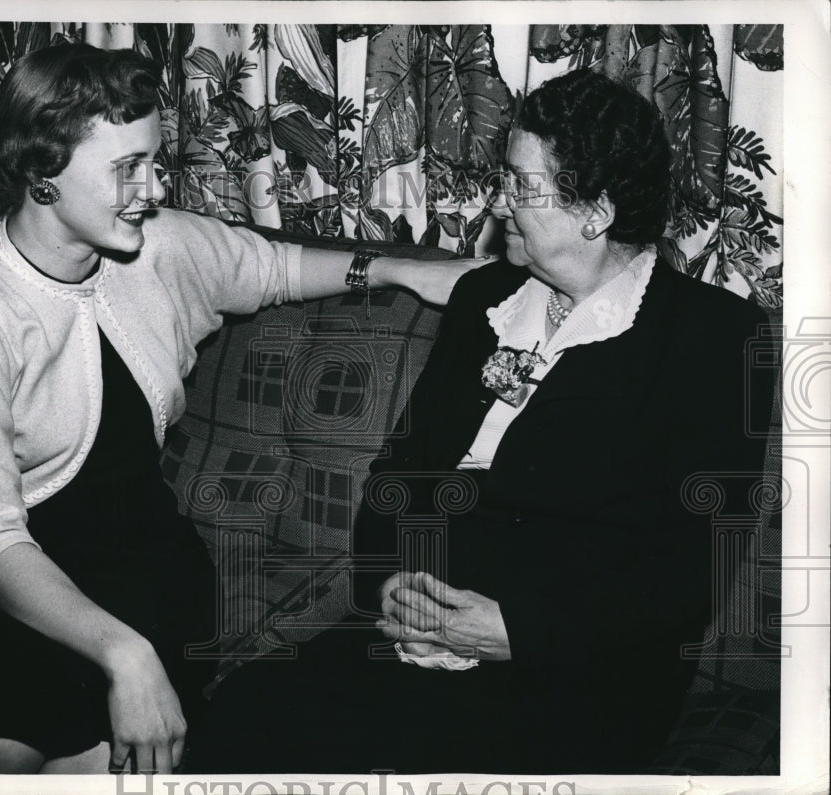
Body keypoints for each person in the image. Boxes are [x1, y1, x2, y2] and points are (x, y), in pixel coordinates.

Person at [0, 43, 486, 775]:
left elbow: (272, 266)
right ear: (42, 171)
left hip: (146, 572)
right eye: (126, 168)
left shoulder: (155, 244)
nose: (151, 188)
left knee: (79, 766)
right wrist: (125, 654)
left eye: (154, 160)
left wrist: (403, 268)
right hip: (19, 586)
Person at [190, 68, 776, 774]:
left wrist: (514, 629)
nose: (500, 200)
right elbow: (395, 479)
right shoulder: (486, 300)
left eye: (522, 185)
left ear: (596, 211)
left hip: (573, 666)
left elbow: (693, 567)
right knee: (248, 710)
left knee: (409, 748)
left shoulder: (713, 337)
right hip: (419, 626)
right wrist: (390, 585)